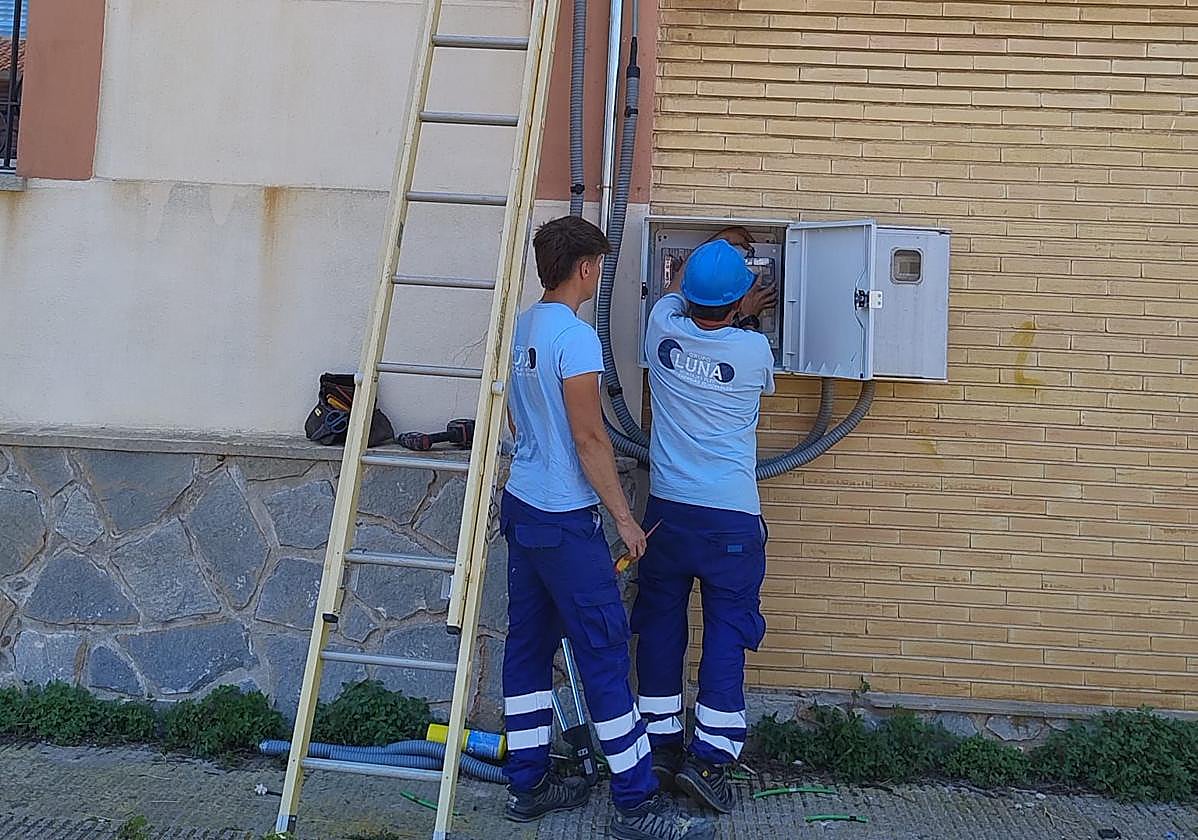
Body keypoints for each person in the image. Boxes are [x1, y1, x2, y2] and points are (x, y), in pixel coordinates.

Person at [501, 215, 714, 840]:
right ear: (587, 267)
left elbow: (517, 420)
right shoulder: (576, 338)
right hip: (566, 521)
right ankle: (636, 802)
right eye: (599, 265)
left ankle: (529, 782)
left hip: (523, 506)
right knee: (601, 650)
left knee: (528, 648)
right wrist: (625, 519)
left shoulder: (524, 326)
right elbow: (591, 437)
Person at [631, 233, 778, 815]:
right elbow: (738, 340)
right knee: (726, 630)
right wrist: (746, 311)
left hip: (667, 514)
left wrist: (713, 260)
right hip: (730, 522)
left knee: (661, 624)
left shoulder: (660, 330)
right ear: (740, 302)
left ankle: (660, 745)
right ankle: (712, 760)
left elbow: (671, 295)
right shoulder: (752, 354)